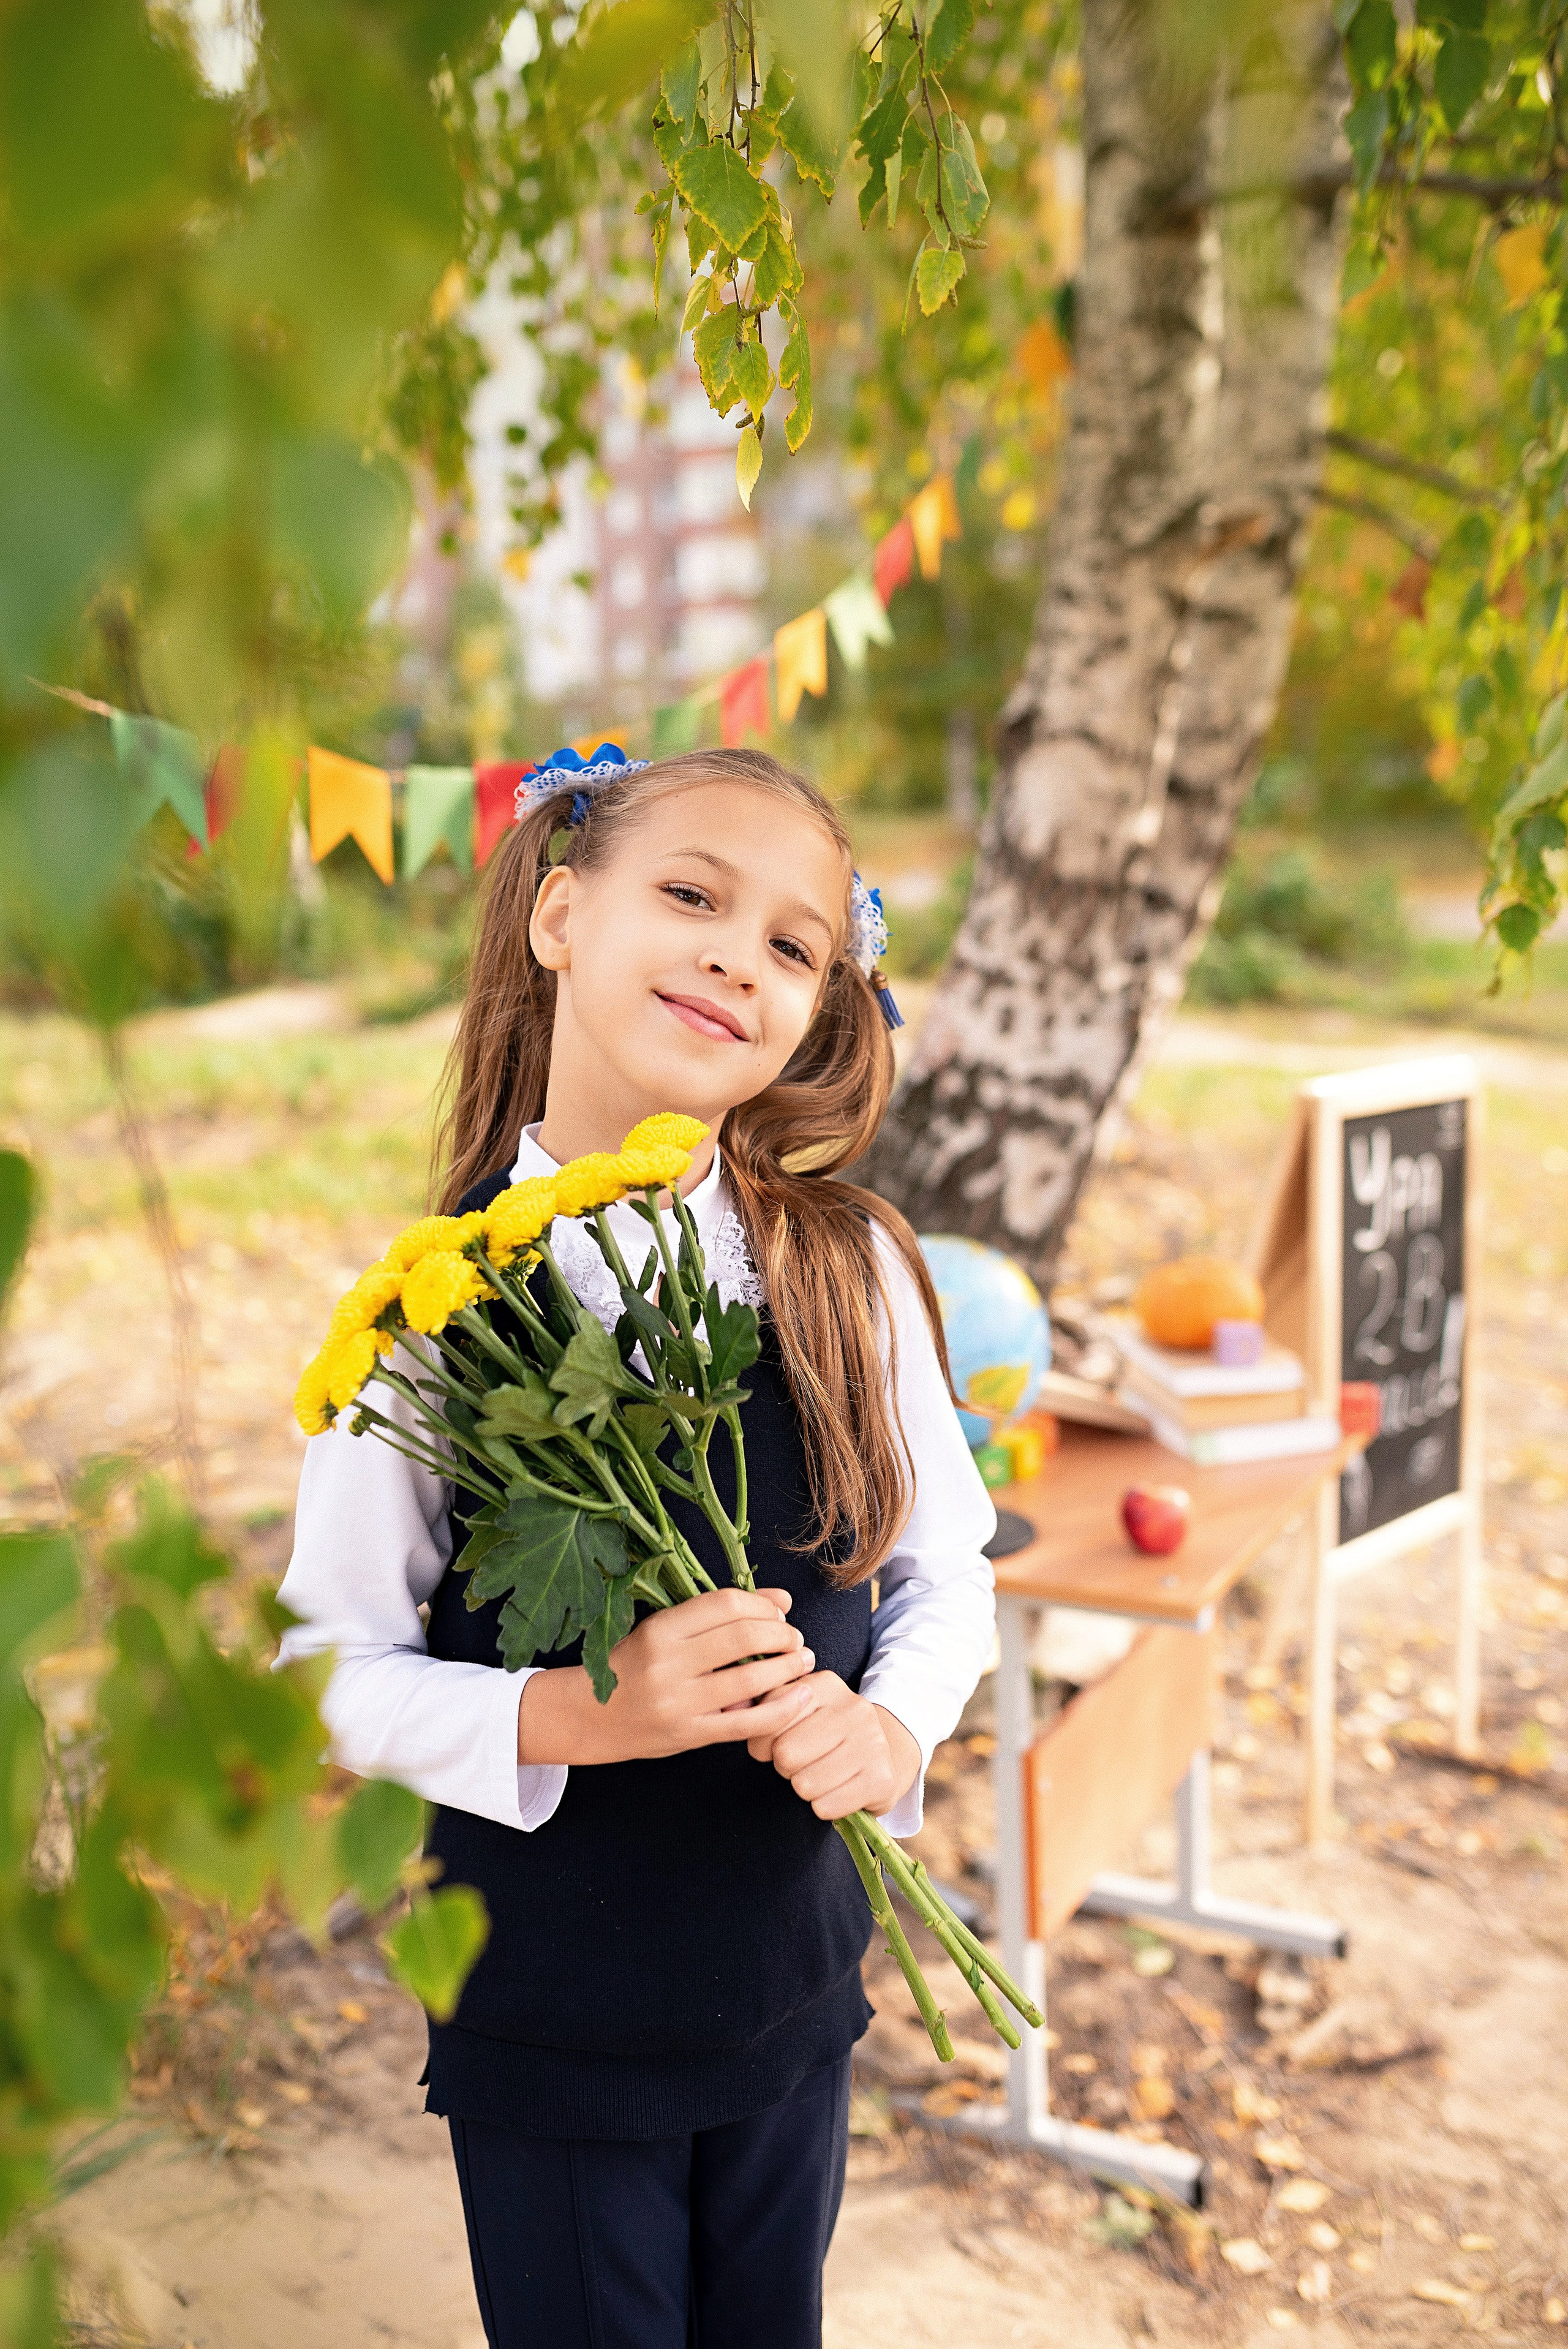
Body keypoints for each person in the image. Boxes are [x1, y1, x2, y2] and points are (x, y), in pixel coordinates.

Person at [277, 744, 997, 2349]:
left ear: (821, 1006)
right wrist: (578, 1715)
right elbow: (323, 1670)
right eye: (692, 894)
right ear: (558, 916)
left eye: (796, 943)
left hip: (793, 1981)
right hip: (555, 2011)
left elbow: (953, 1568)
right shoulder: (423, 1319)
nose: (740, 952)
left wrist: (890, 1727)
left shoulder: (846, 1265)